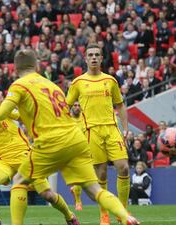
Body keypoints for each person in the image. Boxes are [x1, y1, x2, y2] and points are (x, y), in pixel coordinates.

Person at [0, 49, 140, 225]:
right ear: (36, 65)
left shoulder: (19, 85)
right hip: (76, 139)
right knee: (94, 189)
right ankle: (126, 217)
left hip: (51, 141)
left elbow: (0, 115)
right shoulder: (51, 85)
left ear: (15, 68)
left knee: (19, 181)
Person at [0, 84, 78, 225]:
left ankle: (70, 216)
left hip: (24, 155)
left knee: (48, 195)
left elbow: (22, 117)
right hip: (2, 162)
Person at [66, 43, 131, 225]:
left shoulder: (110, 80)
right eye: (90, 55)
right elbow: (65, 106)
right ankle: (104, 215)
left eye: (97, 55)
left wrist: (126, 128)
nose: (94, 58)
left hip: (111, 128)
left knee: (123, 167)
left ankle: (123, 212)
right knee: (101, 175)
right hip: (91, 131)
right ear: (85, 59)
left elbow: (120, 105)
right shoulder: (78, 83)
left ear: (101, 58)